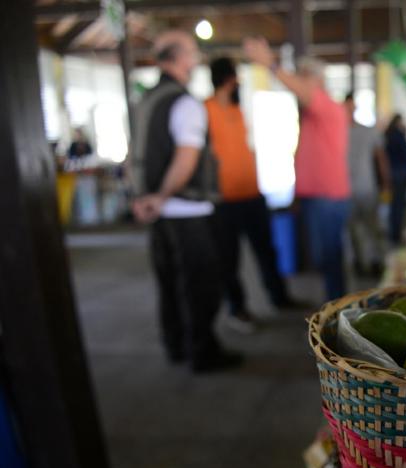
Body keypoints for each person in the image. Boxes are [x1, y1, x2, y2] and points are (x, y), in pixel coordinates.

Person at [131, 30, 241, 373]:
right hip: (186, 209)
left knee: (169, 284)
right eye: (192, 53)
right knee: (200, 284)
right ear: (178, 59)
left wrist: (144, 199)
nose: (196, 59)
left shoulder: (146, 100)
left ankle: (176, 345)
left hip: (159, 212)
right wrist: (162, 196)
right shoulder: (184, 102)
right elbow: (186, 158)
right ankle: (203, 353)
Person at [243, 38, 351, 301]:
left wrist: (271, 64)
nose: (297, 84)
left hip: (327, 197)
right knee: (325, 257)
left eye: (303, 77)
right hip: (318, 196)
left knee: (330, 256)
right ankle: (334, 306)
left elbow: (302, 91)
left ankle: (336, 310)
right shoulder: (312, 114)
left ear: (316, 81)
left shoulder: (326, 106)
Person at [205, 57, 294, 333]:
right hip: (224, 199)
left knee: (267, 250)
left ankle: (279, 297)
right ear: (228, 79)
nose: (238, 83)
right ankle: (237, 309)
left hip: (251, 193)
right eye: (235, 78)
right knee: (228, 260)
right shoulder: (204, 110)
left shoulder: (236, 110)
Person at [343, 92, 391, 276]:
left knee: (372, 228)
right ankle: (360, 263)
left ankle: (376, 261)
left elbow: (380, 158)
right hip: (346, 191)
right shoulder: (337, 131)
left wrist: (386, 183)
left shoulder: (368, 131)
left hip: (366, 188)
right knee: (354, 231)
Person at [384, 114, 406, 245]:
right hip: (401, 174)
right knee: (399, 206)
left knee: (394, 205)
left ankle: (394, 234)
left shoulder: (388, 136)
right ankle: (396, 235)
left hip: (394, 174)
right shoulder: (398, 136)